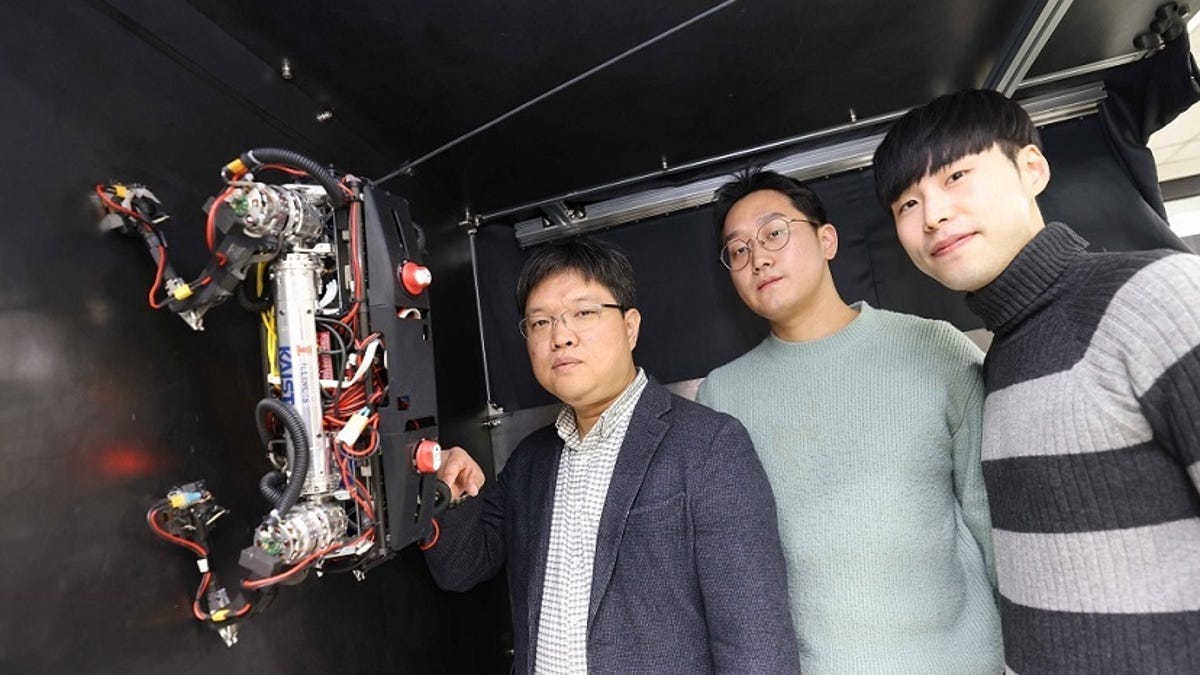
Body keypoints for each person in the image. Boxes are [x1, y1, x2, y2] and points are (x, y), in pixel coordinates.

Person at [873, 87, 1200, 672]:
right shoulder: (1001, 360)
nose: (933, 215)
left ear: (1031, 168)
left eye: (955, 176)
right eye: (907, 204)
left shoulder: (1157, 296)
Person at [424, 237, 800, 674]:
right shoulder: (531, 462)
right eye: (541, 322)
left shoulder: (709, 447)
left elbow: (755, 643)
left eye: (583, 313)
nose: (561, 336)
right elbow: (461, 568)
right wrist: (449, 492)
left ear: (630, 326)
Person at [697, 168, 1003, 673]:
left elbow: (994, 522)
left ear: (826, 240)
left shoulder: (933, 348)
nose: (760, 258)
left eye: (774, 233)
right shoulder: (722, 395)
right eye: (739, 250)